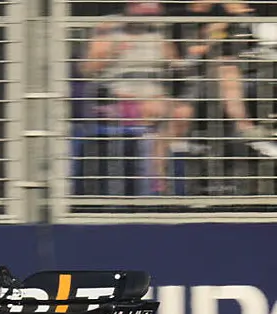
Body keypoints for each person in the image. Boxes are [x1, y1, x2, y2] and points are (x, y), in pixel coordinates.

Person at [79, 1, 194, 190]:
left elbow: (174, 62)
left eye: (152, 14)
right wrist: (112, 52)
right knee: (158, 110)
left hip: (156, 97)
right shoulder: (108, 28)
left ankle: (159, 170)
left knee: (183, 111)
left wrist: (186, 62)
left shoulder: (157, 31)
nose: (147, 18)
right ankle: (156, 178)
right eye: (143, 12)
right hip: (117, 97)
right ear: (129, 7)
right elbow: (87, 69)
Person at [168, 1, 276, 150]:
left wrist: (242, 15)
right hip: (210, 71)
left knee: (227, 70)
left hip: (249, 69)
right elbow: (199, 47)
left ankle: (248, 130)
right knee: (225, 70)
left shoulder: (248, 18)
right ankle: (246, 129)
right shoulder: (217, 18)